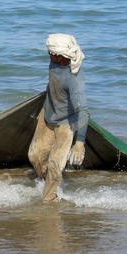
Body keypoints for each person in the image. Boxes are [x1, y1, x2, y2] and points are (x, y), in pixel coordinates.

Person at [28, 33, 90, 202]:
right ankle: (46, 182)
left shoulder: (73, 79)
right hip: (48, 114)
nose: (48, 55)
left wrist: (80, 143)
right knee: (35, 156)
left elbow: (83, 110)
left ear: (61, 56)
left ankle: (50, 200)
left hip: (66, 123)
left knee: (56, 165)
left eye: (51, 53)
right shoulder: (54, 62)